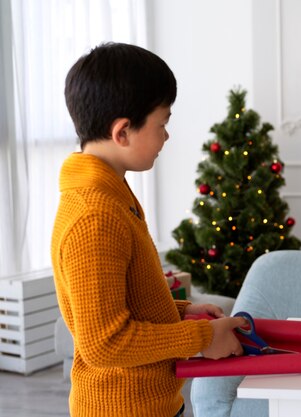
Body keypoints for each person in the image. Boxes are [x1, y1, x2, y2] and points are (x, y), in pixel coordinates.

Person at [51, 42, 246, 417]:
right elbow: (105, 343)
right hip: (121, 409)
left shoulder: (112, 192)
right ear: (123, 131)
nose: (167, 137)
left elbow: (128, 304)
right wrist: (202, 338)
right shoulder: (94, 215)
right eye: (162, 123)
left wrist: (181, 311)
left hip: (152, 402)